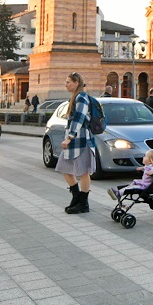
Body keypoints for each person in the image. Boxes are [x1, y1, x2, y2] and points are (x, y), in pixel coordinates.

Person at [59, 73, 96, 214]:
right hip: (76, 140)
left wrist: (69, 137)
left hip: (82, 140)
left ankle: (83, 203)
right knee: (65, 168)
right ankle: (76, 197)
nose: (66, 84)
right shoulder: (76, 97)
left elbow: (80, 118)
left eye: (68, 82)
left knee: (84, 172)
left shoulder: (81, 97)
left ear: (76, 82)